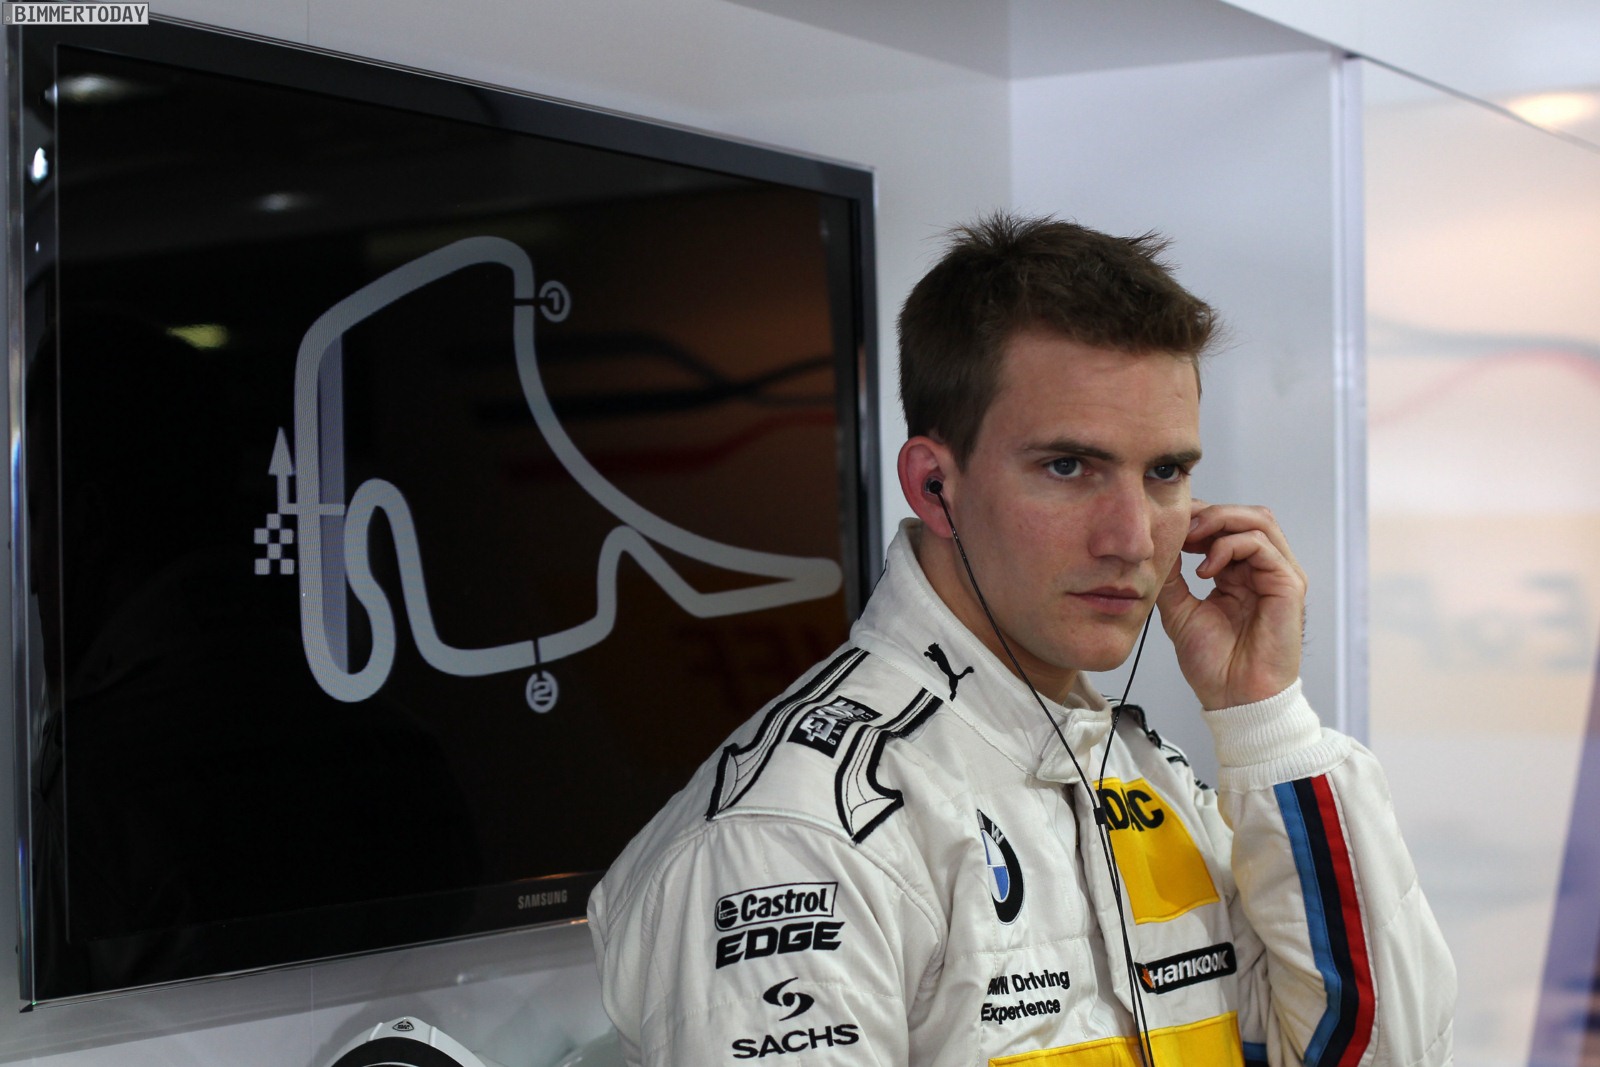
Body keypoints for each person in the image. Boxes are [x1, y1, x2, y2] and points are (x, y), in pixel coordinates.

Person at [587, 214, 1455, 1065]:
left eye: (1165, 472)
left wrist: (1266, 722)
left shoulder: (1140, 775)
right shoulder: (792, 835)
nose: (1133, 536)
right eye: (1068, 467)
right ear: (934, 485)